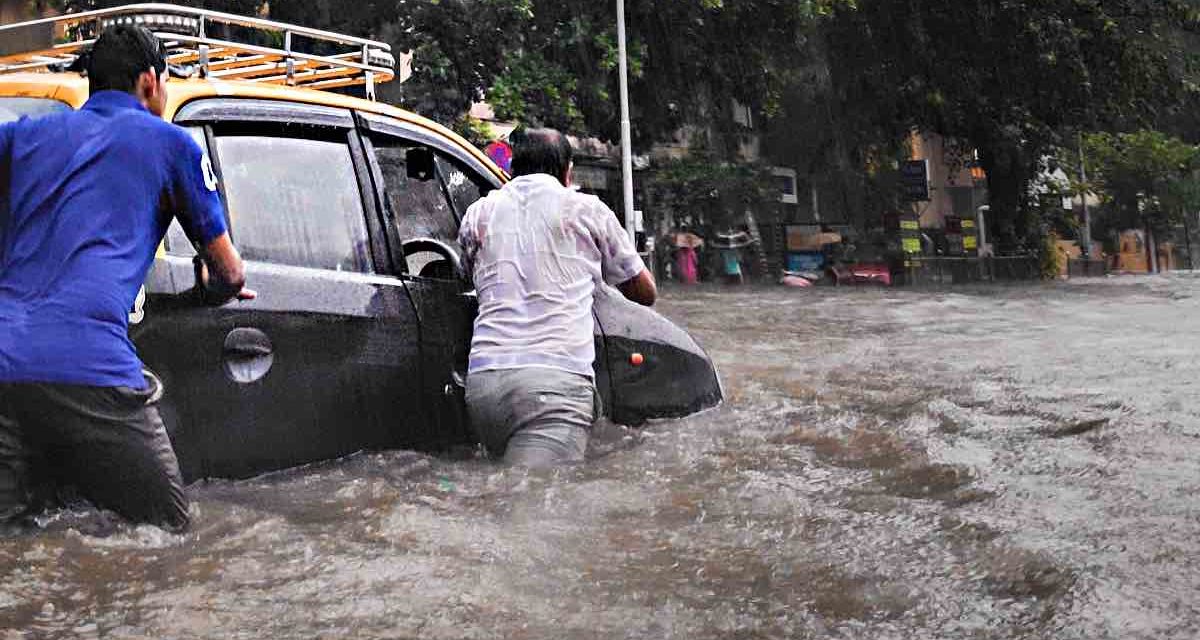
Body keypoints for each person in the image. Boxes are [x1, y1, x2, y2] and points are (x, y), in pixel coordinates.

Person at [0, 25, 253, 531]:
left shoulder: (22, 135)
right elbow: (230, 271)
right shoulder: (172, 144)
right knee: (171, 536)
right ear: (147, 82)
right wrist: (214, 284)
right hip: (90, 365)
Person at [458, 128, 656, 467]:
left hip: (484, 385)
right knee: (535, 507)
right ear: (568, 172)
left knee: (504, 496)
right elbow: (644, 292)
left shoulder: (479, 213)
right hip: (553, 388)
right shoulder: (586, 210)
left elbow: (466, 275)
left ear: (513, 169)